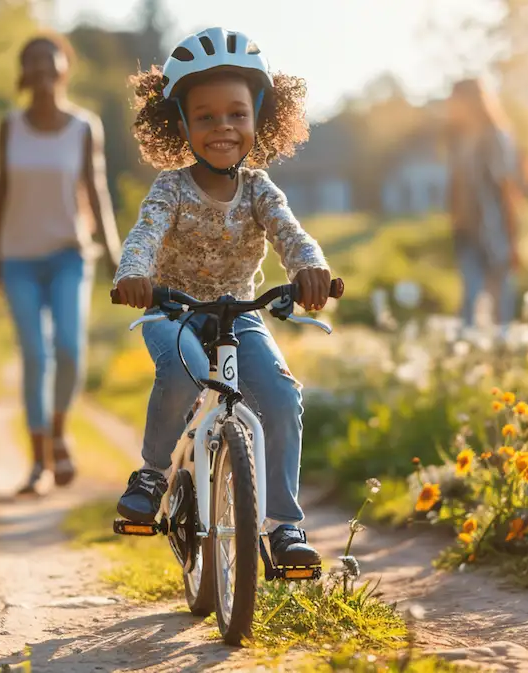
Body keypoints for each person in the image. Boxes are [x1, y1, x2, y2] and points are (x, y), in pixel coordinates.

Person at [110, 28, 332, 568]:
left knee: (281, 397)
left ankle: (283, 525)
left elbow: (291, 234)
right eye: (205, 117)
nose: (222, 128)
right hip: (173, 311)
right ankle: (154, 473)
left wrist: (311, 269)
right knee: (184, 369)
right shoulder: (171, 188)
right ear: (181, 125)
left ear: (259, 117)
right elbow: (145, 235)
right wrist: (133, 274)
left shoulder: (259, 189)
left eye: (236, 113)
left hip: (240, 315)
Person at [0, 34, 121, 496]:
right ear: (24, 72)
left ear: (65, 67)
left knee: (67, 349)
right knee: (35, 357)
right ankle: (39, 460)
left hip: (69, 253)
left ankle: (59, 430)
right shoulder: (9, 127)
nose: (42, 68)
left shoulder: (84, 126)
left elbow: (96, 190)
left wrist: (118, 253)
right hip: (18, 256)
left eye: (50, 60)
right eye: (33, 62)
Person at [445, 76, 524, 335]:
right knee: (470, 301)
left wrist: (513, 240)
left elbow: (507, 191)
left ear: (470, 101)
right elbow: (456, 186)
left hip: (494, 232)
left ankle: (501, 359)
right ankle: (469, 361)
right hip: (467, 233)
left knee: (500, 306)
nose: (450, 106)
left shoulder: (496, 138)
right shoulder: (460, 140)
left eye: (455, 100)